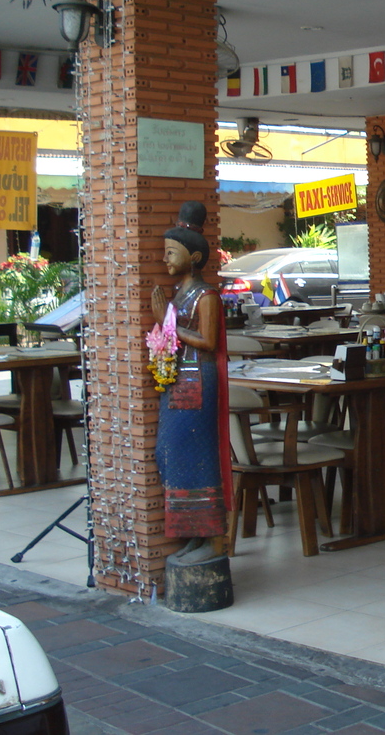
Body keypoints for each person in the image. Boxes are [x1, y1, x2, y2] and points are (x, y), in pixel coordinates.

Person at [151, 201, 231, 565]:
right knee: (170, 455)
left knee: (197, 456)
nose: (165, 259)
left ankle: (211, 538)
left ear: (194, 257)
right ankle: (191, 532)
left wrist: (167, 322)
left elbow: (208, 341)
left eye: (172, 253)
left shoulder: (206, 295)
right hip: (176, 379)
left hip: (198, 380)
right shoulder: (180, 293)